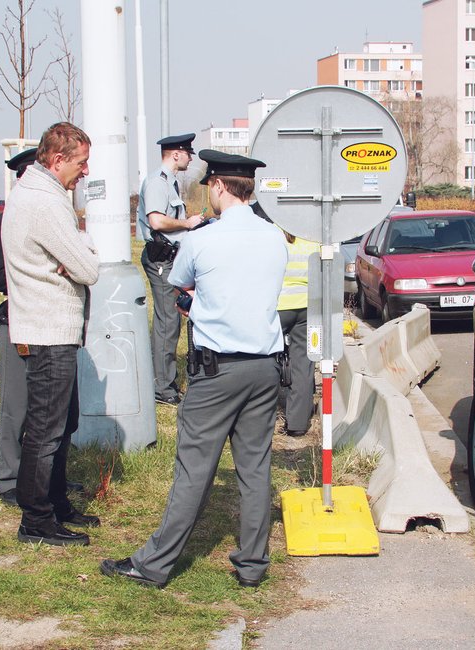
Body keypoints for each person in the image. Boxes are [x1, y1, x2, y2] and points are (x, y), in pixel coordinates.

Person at [100, 150, 288, 588]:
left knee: (194, 469)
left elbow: (178, 283)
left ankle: (154, 565)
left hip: (216, 371)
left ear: (218, 186)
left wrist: (198, 303)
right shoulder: (275, 236)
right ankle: (253, 565)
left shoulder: (203, 239)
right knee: (256, 468)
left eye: (210, 187)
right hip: (264, 368)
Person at [1, 122, 100, 546]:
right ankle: (36, 521)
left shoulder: (40, 194)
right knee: (45, 430)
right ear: (57, 160)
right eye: (81, 162)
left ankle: (56, 503)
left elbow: (80, 259)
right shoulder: (44, 201)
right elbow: (90, 268)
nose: (85, 171)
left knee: (61, 422)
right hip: (47, 331)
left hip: (51, 328)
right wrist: (78, 255)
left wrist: (77, 254)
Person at [136, 133, 206, 406]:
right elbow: (156, 221)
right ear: (175, 154)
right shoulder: (157, 182)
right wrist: (187, 224)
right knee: (168, 321)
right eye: (188, 152)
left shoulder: (171, 182)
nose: (191, 156)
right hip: (161, 258)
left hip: (171, 256)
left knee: (172, 319)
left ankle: (165, 383)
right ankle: (162, 389)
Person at [276, 229, 320, 437]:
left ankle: (263, 417)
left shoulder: (273, 233)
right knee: (304, 364)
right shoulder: (314, 235)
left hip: (278, 306)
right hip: (308, 307)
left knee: (265, 361)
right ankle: (298, 424)